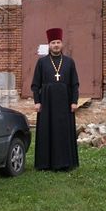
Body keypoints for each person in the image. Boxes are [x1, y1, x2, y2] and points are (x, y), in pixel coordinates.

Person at [31, 27, 80, 171]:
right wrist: (37, 101)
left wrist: (74, 101)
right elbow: (35, 84)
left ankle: (65, 163)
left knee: (63, 131)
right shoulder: (42, 62)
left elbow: (75, 83)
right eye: (53, 42)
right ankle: (45, 164)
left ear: (62, 44)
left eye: (58, 42)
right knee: (47, 130)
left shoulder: (69, 62)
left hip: (65, 102)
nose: (56, 45)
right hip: (47, 102)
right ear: (49, 45)